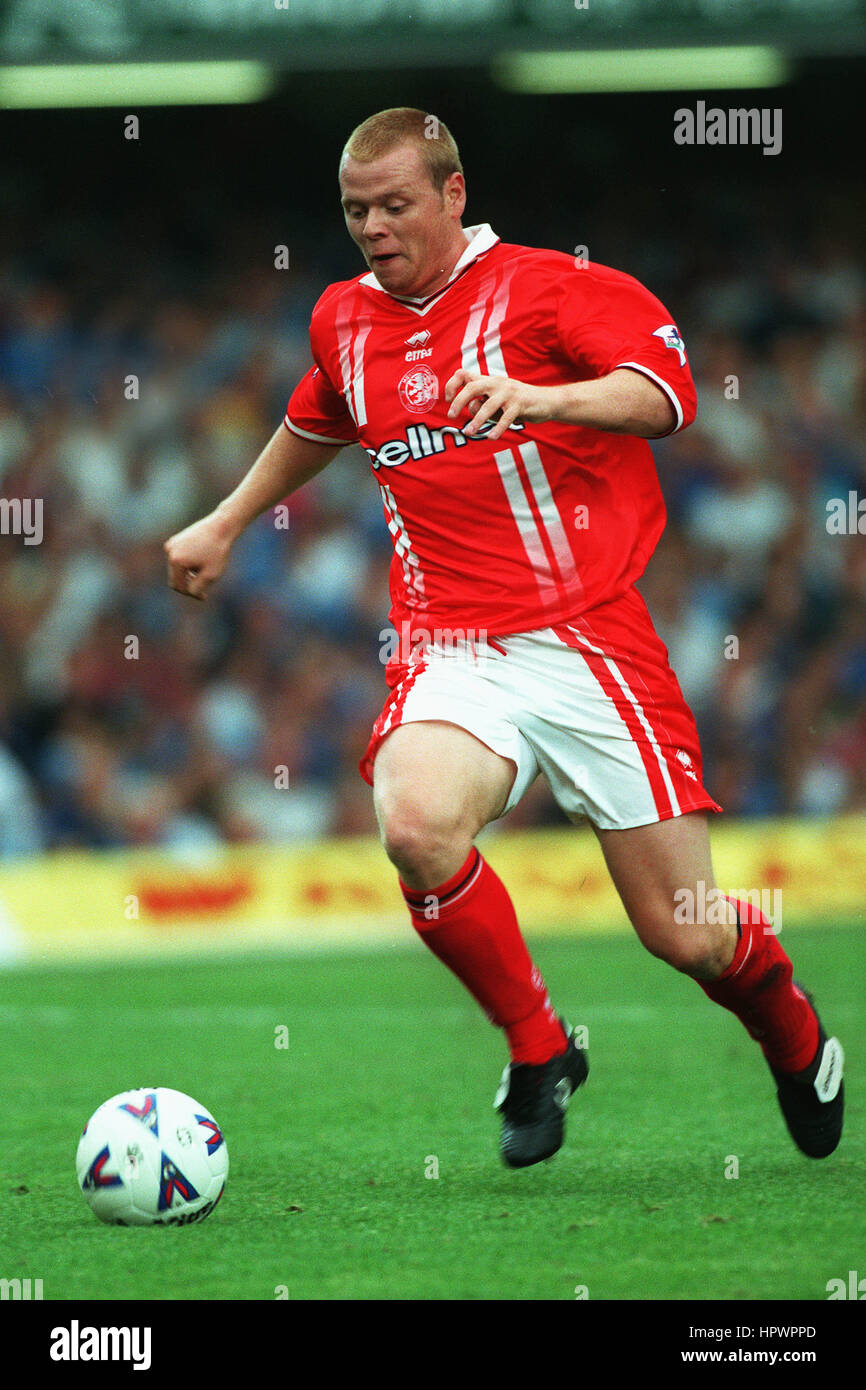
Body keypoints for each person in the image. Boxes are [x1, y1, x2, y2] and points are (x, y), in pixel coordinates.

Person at [164, 107, 844, 1168]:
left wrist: (538, 396)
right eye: (355, 211)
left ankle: (791, 1028)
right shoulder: (342, 319)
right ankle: (538, 1049)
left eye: (395, 205)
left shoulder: (553, 289)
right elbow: (321, 415)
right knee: (416, 826)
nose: (374, 229)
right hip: (449, 642)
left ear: (453, 194)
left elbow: (662, 394)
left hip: (587, 638)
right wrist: (227, 517)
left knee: (686, 932)